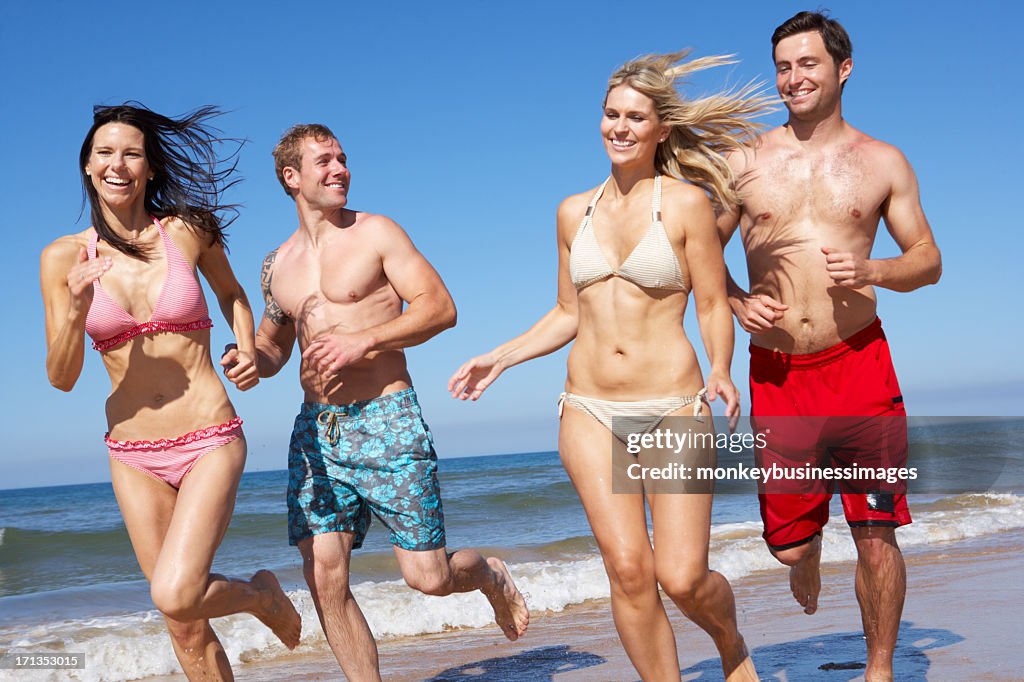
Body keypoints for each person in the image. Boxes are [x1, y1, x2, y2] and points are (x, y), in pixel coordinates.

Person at [449, 52, 771, 681]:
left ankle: (730, 643)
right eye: (610, 115)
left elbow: (711, 302)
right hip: (589, 408)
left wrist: (722, 368)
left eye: (634, 117)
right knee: (627, 570)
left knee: (681, 576)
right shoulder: (574, 211)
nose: (619, 127)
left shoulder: (684, 206)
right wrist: (502, 357)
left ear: (660, 130)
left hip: (674, 404)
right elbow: (569, 311)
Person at [254, 123, 529, 680]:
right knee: (324, 579)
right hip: (318, 431)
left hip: (387, 417)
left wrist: (366, 339)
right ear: (291, 178)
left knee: (428, 577)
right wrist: (250, 361)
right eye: (324, 162)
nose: (339, 170)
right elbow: (273, 345)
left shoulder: (377, 233)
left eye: (342, 159)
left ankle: (490, 574)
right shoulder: (276, 265)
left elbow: (440, 307)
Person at [716, 11, 942, 681]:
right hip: (780, 375)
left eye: (807, 64)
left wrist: (875, 271)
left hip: (859, 365)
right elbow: (699, 255)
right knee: (787, 550)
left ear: (843, 69)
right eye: (784, 67)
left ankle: (879, 669)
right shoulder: (745, 160)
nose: (793, 78)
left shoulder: (882, 162)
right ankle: (806, 547)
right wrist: (735, 298)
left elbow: (927, 260)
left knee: (877, 533)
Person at [40, 104, 301, 680]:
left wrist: (250, 350)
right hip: (133, 454)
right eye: (104, 153)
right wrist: (75, 312)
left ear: (150, 168)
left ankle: (262, 596)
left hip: (208, 433)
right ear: (87, 166)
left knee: (177, 593)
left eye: (131, 153)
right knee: (182, 623)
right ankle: (257, 597)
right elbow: (61, 376)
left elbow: (234, 295)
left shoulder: (187, 229)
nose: (118, 164)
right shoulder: (63, 257)